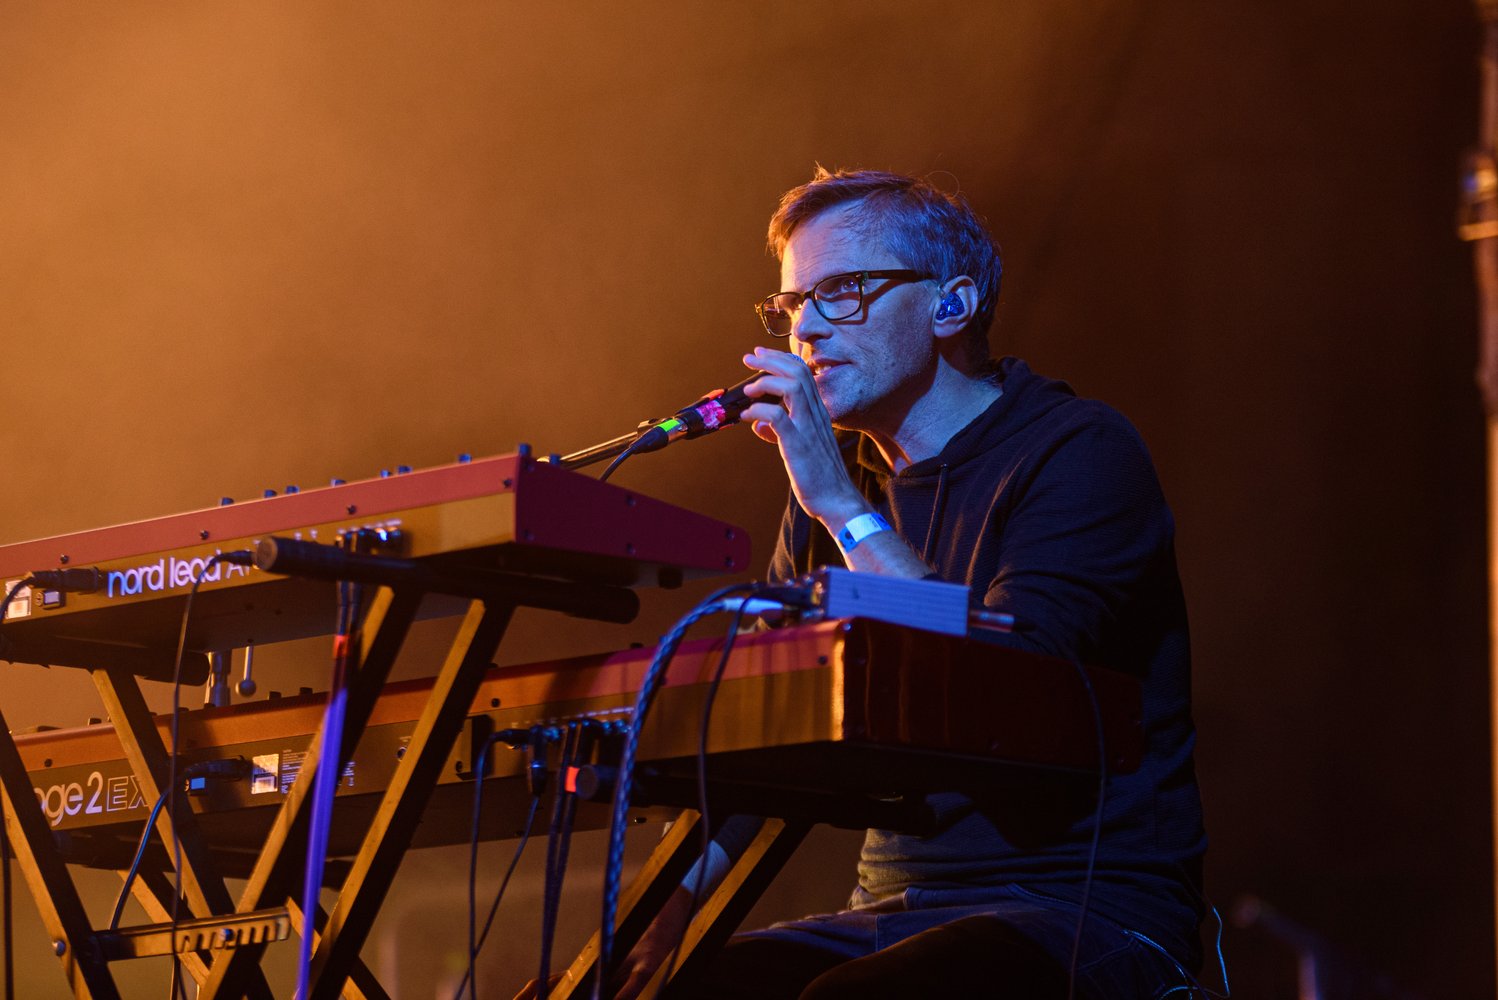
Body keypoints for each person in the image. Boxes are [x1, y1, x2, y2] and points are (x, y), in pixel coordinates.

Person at [528, 167, 1208, 1000]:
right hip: (891, 907)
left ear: (952, 305)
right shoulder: (835, 481)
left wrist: (843, 509)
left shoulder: (1079, 451)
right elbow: (766, 729)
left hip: (1079, 908)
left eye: (842, 292)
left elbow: (1008, 683)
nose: (806, 328)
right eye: (792, 304)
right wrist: (665, 914)